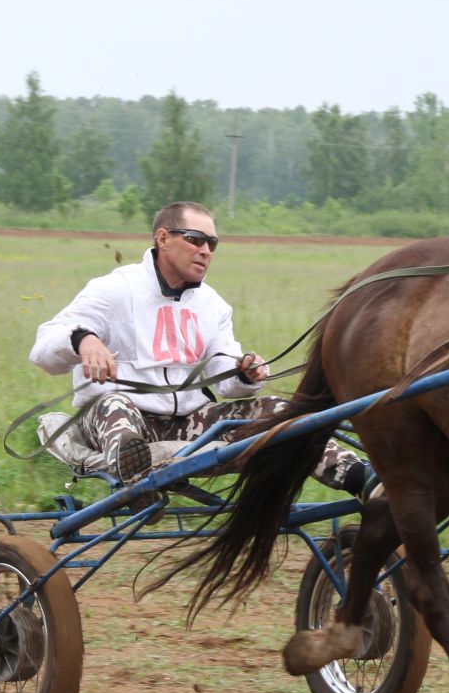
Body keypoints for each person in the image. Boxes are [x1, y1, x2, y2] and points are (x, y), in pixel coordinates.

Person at [30, 201, 368, 499]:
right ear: (163, 238)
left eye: (213, 243)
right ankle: (131, 476)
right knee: (114, 402)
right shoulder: (113, 290)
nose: (205, 250)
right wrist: (82, 340)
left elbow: (225, 383)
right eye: (195, 239)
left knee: (282, 410)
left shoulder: (213, 305)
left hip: (189, 422)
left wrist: (245, 372)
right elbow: (44, 348)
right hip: (118, 418)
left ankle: (361, 479)